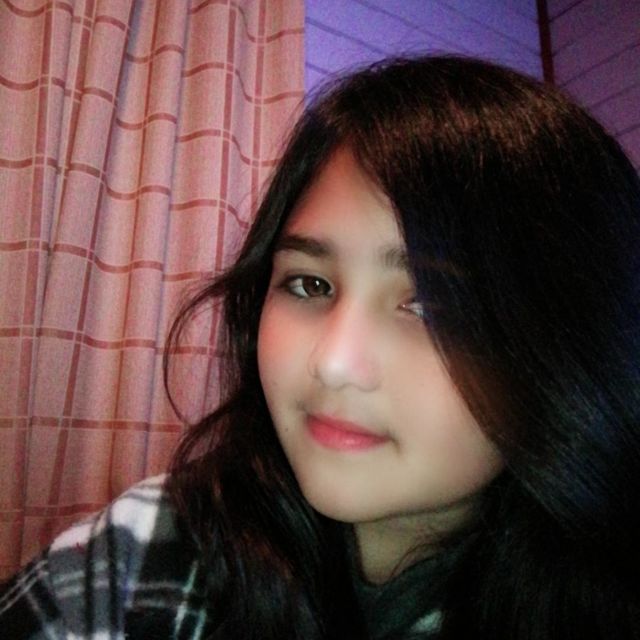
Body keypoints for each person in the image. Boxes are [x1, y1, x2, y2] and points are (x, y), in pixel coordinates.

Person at [1, 55, 639, 639]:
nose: (333, 363)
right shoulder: (151, 551)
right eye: (310, 284)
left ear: (569, 348)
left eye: (432, 306)